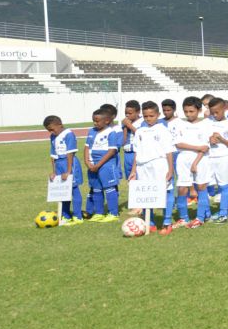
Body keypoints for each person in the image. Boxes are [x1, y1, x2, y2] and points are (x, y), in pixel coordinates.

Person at [128, 101, 177, 235]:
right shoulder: (140, 131)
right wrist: (133, 170)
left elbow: (169, 151)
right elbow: (136, 152)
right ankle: (150, 222)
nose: (148, 119)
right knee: (145, 193)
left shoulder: (163, 130)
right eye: (146, 116)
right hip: (142, 166)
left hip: (159, 164)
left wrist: (170, 169)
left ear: (158, 115)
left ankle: (167, 222)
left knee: (166, 191)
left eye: (151, 116)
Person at [171, 97, 213, 227]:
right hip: (183, 159)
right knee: (182, 188)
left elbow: (205, 147)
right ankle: (184, 218)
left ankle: (200, 218)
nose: (188, 114)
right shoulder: (178, 124)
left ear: (199, 110)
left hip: (201, 159)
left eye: (191, 111)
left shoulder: (207, 124)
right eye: (186, 111)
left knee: (201, 187)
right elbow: (178, 144)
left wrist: (196, 161)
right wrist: (197, 147)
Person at [201, 98, 228, 223]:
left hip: (223, 158)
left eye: (217, 112)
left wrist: (221, 140)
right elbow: (201, 139)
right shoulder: (206, 122)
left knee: (224, 185)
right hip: (208, 158)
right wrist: (209, 140)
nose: (214, 115)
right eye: (212, 112)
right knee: (204, 186)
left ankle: (223, 213)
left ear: (224, 109)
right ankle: (206, 213)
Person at [83, 108, 123, 223]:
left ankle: (113, 213)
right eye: (93, 121)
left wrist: (99, 165)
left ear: (106, 121)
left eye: (97, 121)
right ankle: (99, 213)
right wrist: (87, 162)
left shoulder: (111, 133)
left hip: (106, 164)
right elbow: (86, 147)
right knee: (96, 189)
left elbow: (112, 151)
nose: (95, 123)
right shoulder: (91, 131)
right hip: (92, 164)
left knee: (109, 188)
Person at [43, 115, 85, 226]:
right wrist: (54, 172)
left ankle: (78, 216)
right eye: (49, 130)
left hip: (69, 163)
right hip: (59, 164)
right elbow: (53, 155)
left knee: (74, 189)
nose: (51, 132)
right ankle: (66, 215)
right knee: (63, 191)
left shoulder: (69, 134)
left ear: (60, 125)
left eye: (52, 129)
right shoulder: (52, 137)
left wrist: (68, 171)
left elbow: (70, 153)